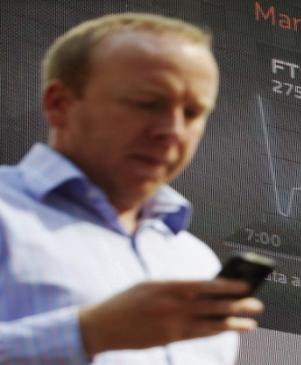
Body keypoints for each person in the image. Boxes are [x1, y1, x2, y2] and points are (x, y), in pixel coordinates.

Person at [0, 13, 264, 364]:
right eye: (148, 103)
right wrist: (89, 334)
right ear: (59, 104)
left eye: (192, 112)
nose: (172, 130)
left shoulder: (196, 263)